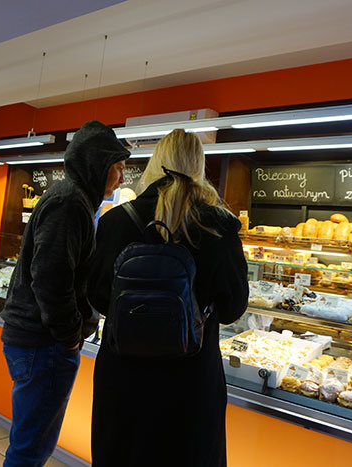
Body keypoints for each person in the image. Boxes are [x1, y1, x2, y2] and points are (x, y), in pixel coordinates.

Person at [87, 129, 249, 467]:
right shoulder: (220, 225)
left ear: (156, 162)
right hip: (191, 382)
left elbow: (98, 296)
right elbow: (234, 308)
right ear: (198, 166)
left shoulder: (116, 220)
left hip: (124, 376)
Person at [0, 120, 130, 467]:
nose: (122, 178)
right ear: (97, 165)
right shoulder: (70, 203)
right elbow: (51, 277)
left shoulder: (75, 199)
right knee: (30, 449)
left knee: (30, 441)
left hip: (40, 340)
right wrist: (70, 335)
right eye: (117, 168)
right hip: (45, 343)